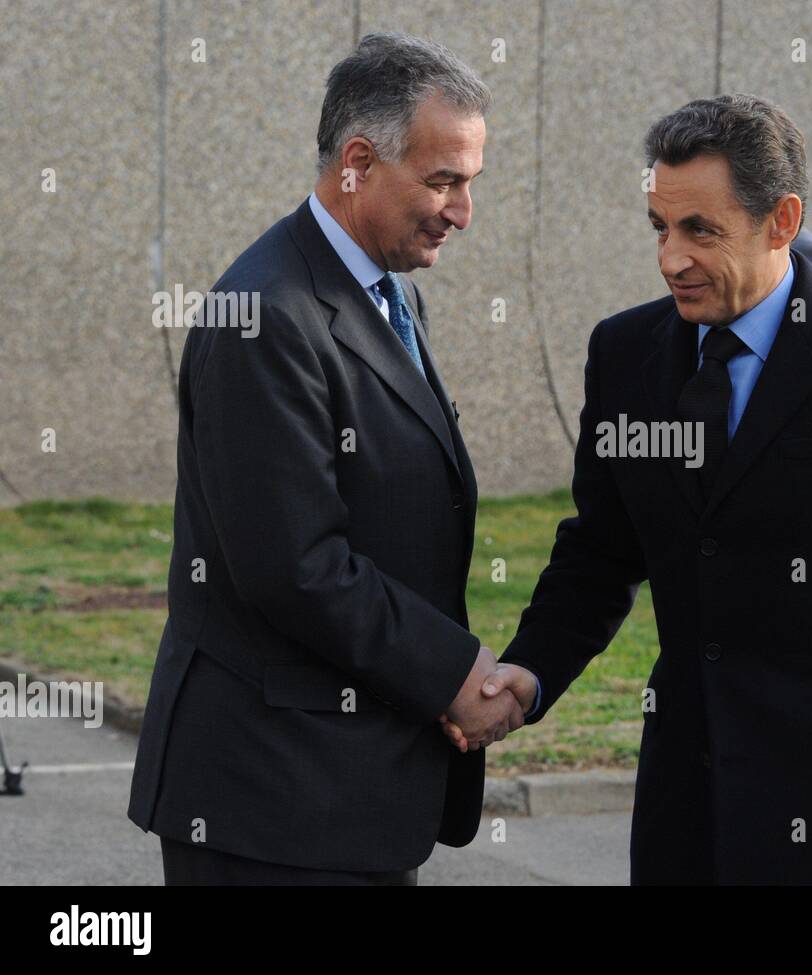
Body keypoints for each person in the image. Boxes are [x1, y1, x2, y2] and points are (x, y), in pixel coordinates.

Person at [446, 94, 812, 884]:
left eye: (701, 230)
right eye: (660, 227)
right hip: (689, 802)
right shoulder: (625, 353)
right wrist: (529, 672)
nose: (671, 258)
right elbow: (601, 547)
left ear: (783, 219)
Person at [127, 32, 524, 885]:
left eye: (470, 184)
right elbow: (295, 565)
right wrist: (452, 673)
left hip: (350, 793)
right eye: (443, 181)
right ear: (356, 163)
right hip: (272, 802)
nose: (462, 213)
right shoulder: (264, 313)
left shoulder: (391, 294)